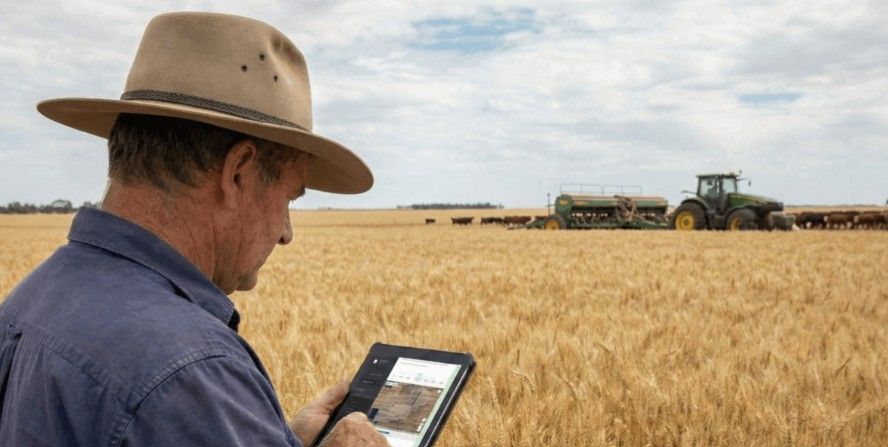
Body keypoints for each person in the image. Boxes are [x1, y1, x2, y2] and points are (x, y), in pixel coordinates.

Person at [0, 12, 388, 447]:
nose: (285, 232)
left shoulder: (31, 298)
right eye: (289, 199)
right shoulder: (191, 372)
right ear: (238, 173)